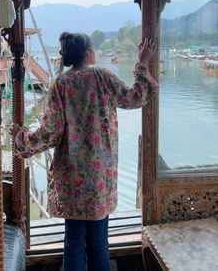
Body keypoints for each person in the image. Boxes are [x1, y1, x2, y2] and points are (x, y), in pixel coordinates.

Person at [11, 32, 158, 271]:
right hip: (100, 178)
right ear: (89, 52)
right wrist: (142, 63)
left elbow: (50, 132)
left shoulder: (60, 84)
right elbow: (135, 97)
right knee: (100, 243)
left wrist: (22, 138)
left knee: (74, 243)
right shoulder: (102, 76)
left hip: (72, 179)